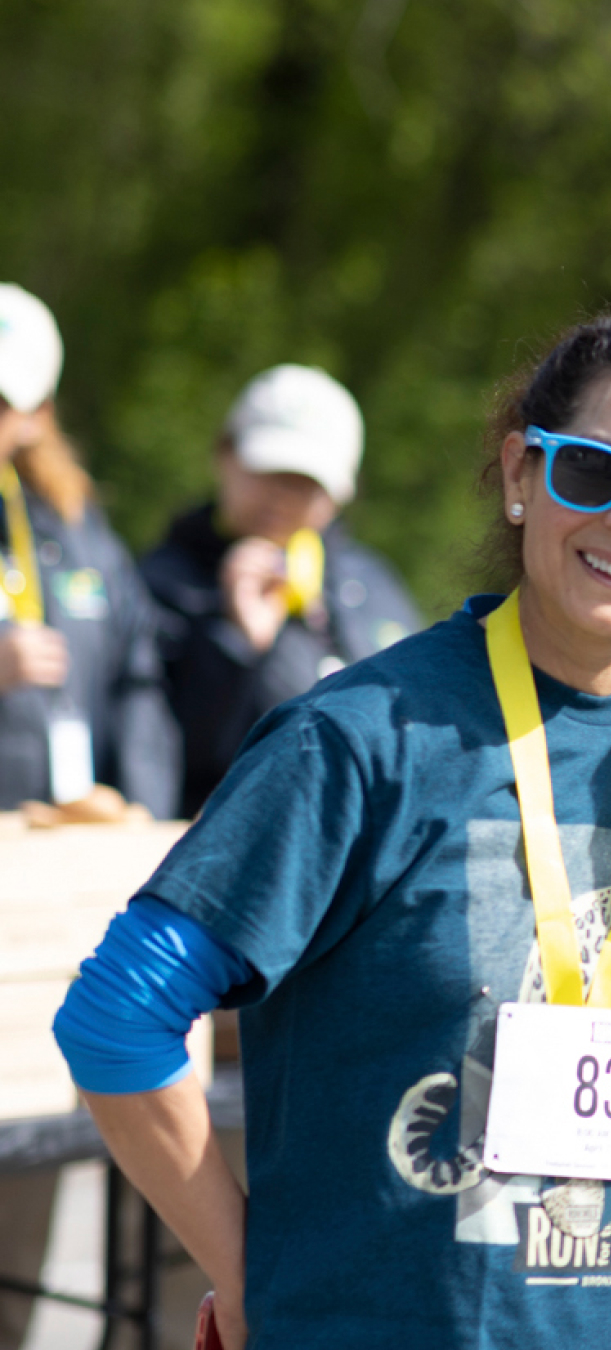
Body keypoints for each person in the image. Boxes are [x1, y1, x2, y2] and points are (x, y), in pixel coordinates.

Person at [51, 313, 611, 1349]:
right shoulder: (361, 738)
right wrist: (247, 1275)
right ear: (524, 472)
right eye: (595, 472)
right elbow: (119, 1017)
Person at [0, 283, 180, 1348]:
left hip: (62, 903)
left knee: (38, 1203)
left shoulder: (74, 528)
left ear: (40, 410)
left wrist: (139, 808)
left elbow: (141, 681)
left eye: (11, 401)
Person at [140, 364, 420, 816]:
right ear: (224, 455)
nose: (283, 496)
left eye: (307, 482)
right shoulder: (158, 586)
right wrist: (238, 644)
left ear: (340, 493)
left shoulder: (372, 584)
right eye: (269, 471)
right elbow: (156, 760)